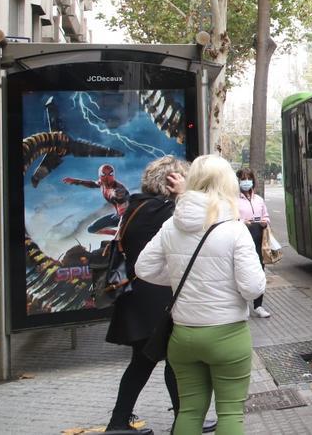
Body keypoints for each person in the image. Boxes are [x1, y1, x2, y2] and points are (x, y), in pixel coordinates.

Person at [136, 155, 266, 435]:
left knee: (190, 411)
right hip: (228, 335)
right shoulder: (234, 228)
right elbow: (253, 288)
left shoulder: (172, 225)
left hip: (183, 337)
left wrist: (175, 280)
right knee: (230, 413)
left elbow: (143, 268)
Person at [103, 156, 189, 435]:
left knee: (147, 361)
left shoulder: (139, 206)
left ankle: (121, 422)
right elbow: (196, 223)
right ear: (171, 181)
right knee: (167, 360)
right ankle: (183, 422)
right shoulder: (162, 210)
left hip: (141, 298)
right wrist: (185, 196)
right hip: (153, 298)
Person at [235, 167, 271, 318]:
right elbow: (231, 218)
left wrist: (264, 222)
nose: (246, 182)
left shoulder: (259, 200)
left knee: (259, 271)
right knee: (241, 270)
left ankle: (258, 305)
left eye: (248, 179)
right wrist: (243, 222)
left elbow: (267, 217)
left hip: (258, 239)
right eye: (243, 179)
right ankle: (241, 305)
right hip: (241, 238)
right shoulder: (233, 200)